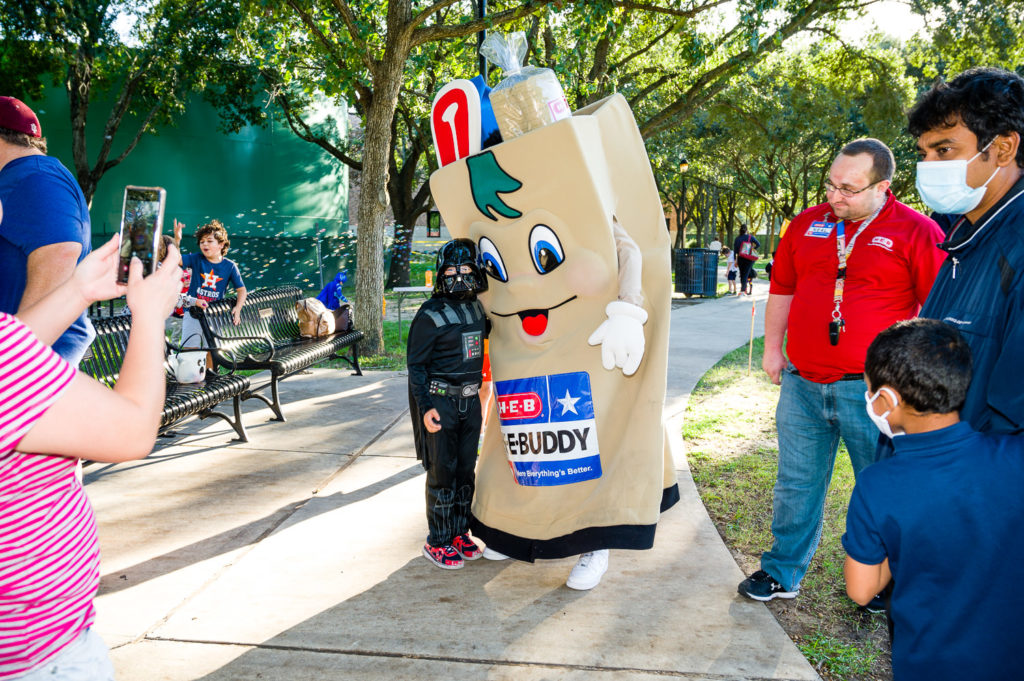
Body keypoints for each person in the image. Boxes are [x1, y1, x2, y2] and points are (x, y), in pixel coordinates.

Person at [737, 138, 946, 602]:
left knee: (884, 486)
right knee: (795, 482)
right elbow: (782, 290)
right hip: (803, 385)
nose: (835, 197)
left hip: (875, 394)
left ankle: (887, 584)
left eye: (849, 189)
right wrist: (773, 349)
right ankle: (781, 570)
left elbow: (938, 311)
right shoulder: (808, 223)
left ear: (883, 187)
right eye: (831, 185)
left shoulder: (917, 231)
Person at [0, 196, 183, 680]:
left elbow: (11, 357)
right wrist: (149, 316)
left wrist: (78, 291)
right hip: (39, 659)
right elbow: (133, 430)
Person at [843, 318, 1023, 679]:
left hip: (928, 664)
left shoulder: (877, 484)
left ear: (888, 400)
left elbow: (861, 590)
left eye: (870, 392)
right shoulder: (1013, 456)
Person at [901, 66, 1024, 440]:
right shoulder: (964, 235)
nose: (927, 166)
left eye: (944, 150)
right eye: (924, 152)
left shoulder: (1015, 248)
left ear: (1003, 148)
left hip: (975, 487)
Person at [407, 239, 488, 570]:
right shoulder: (429, 315)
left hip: (471, 402)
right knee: (442, 472)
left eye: (466, 270)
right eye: (452, 271)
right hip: (442, 404)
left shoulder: (478, 309)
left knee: (465, 471)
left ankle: (458, 533)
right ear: (441, 275)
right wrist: (426, 407)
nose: (459, 278)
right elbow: (417, 367)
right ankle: (437, 540)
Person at [0, 96, 93, 364]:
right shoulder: (30, 175)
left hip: (29, 373)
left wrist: (16, 356)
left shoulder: (35, 177)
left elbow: (60, 253)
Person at [172, 218, 247, 347]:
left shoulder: (230, 266)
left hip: (214, 315)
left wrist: (238, 307)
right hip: (192, 312)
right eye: (202, 242)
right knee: (190, 350)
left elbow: (241, 290)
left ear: (221, 244)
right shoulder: (196, 258)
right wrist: (177, 240)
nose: (204, 244)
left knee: (212, 351)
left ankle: (209, 368)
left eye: (209, 241)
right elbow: (177, 259)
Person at [732, 224, 760, 294]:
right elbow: (758, 244)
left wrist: (735, 260)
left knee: (742, 274)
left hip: (740, 258)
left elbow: (735, 250)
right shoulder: (750, 237)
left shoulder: (737, 238)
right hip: (749, 258)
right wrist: (752, 249)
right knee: (746, 273)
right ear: (746, 230)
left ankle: (743, 289)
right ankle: (743, 289)